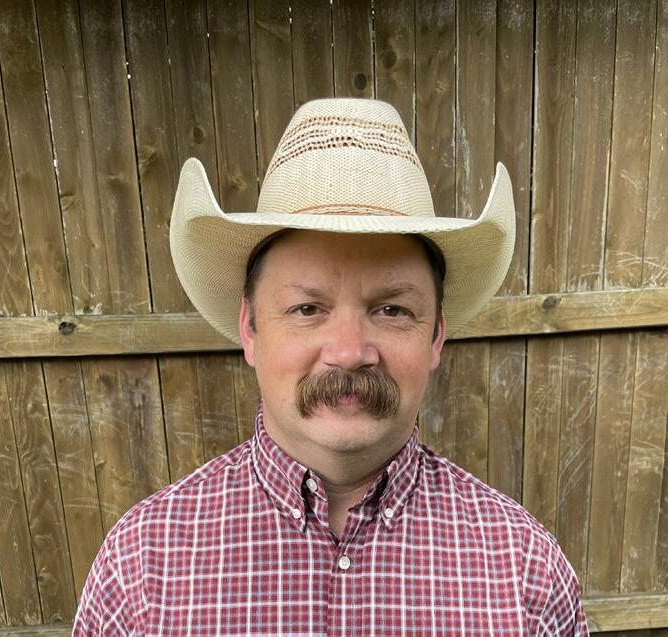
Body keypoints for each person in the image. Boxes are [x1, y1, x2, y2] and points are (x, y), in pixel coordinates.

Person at [73, 98, 588, 635]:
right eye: (307, 309)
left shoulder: (526, 570)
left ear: (436, 335)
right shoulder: (141, 568)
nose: (349, 351)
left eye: (392, 310)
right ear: (250, 328)